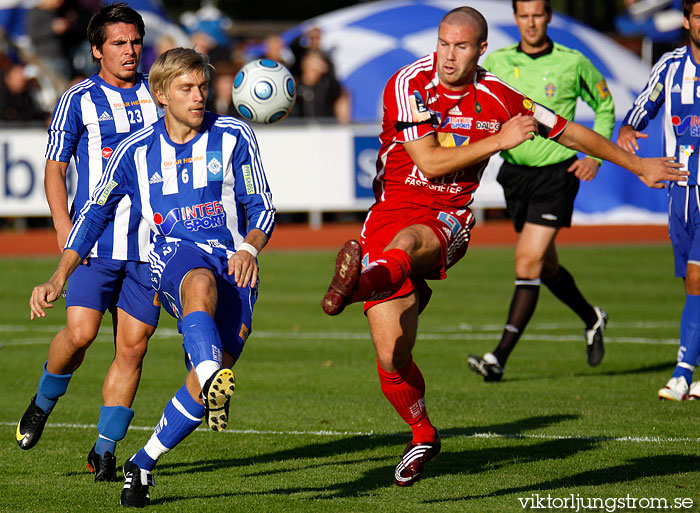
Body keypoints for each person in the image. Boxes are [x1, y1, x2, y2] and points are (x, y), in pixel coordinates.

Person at [320, 6, 686, 487]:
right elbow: (428, 162)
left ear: (481, 50)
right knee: (393, 356)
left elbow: (569, 130)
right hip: (388, 215)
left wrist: (637, 167)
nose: (449, 56)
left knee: (406, 246)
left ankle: (354, 286)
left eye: (461, 46)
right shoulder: (407, 83)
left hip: (446, 215)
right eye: (444, 44)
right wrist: (498, 140)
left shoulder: (499, 95)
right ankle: (423, 433)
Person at [29, 47, 275, 507]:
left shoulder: (234, 136)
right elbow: (93, 215)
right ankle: (209, 370)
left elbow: (262, 205)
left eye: (202, 86)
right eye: (186, 88)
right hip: (172, 257)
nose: (198, 96)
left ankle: (142, 463)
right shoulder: (135, 151)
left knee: (202, 388)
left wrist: (249, 247)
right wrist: (60, 273)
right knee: (197, 285)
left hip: (235, 263)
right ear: (161, 94)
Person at [15, 3, 161, 483]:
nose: (129, 51)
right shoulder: (78, 98)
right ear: (96, 50)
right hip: (94, 242)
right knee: (79, 335)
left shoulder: (158, 95)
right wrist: (62, 225)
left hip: (148, 246)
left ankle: (103, 450)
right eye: (118, 43)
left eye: (135, 42)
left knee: (133, 348)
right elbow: (55, 168)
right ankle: (42, 400)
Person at [467, 0, 613, 383]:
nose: (531, 23)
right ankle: (592, 317)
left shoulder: (573, 61)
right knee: (544, 266)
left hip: (556, 174)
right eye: (524, 15)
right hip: (515, 176)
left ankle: (498, 357)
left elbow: (605, 105)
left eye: (538, 15)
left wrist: (595, 158)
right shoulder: (496, 62)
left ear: (548, 17)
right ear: (515, 18)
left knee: (526, 262)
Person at [618, 0, 700, 401]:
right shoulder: (670, 66)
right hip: (680, 192)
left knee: (699, 277)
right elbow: (642, 106)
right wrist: (628, 129)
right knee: (692, 282)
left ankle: (682, 373)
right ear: (687, 20)